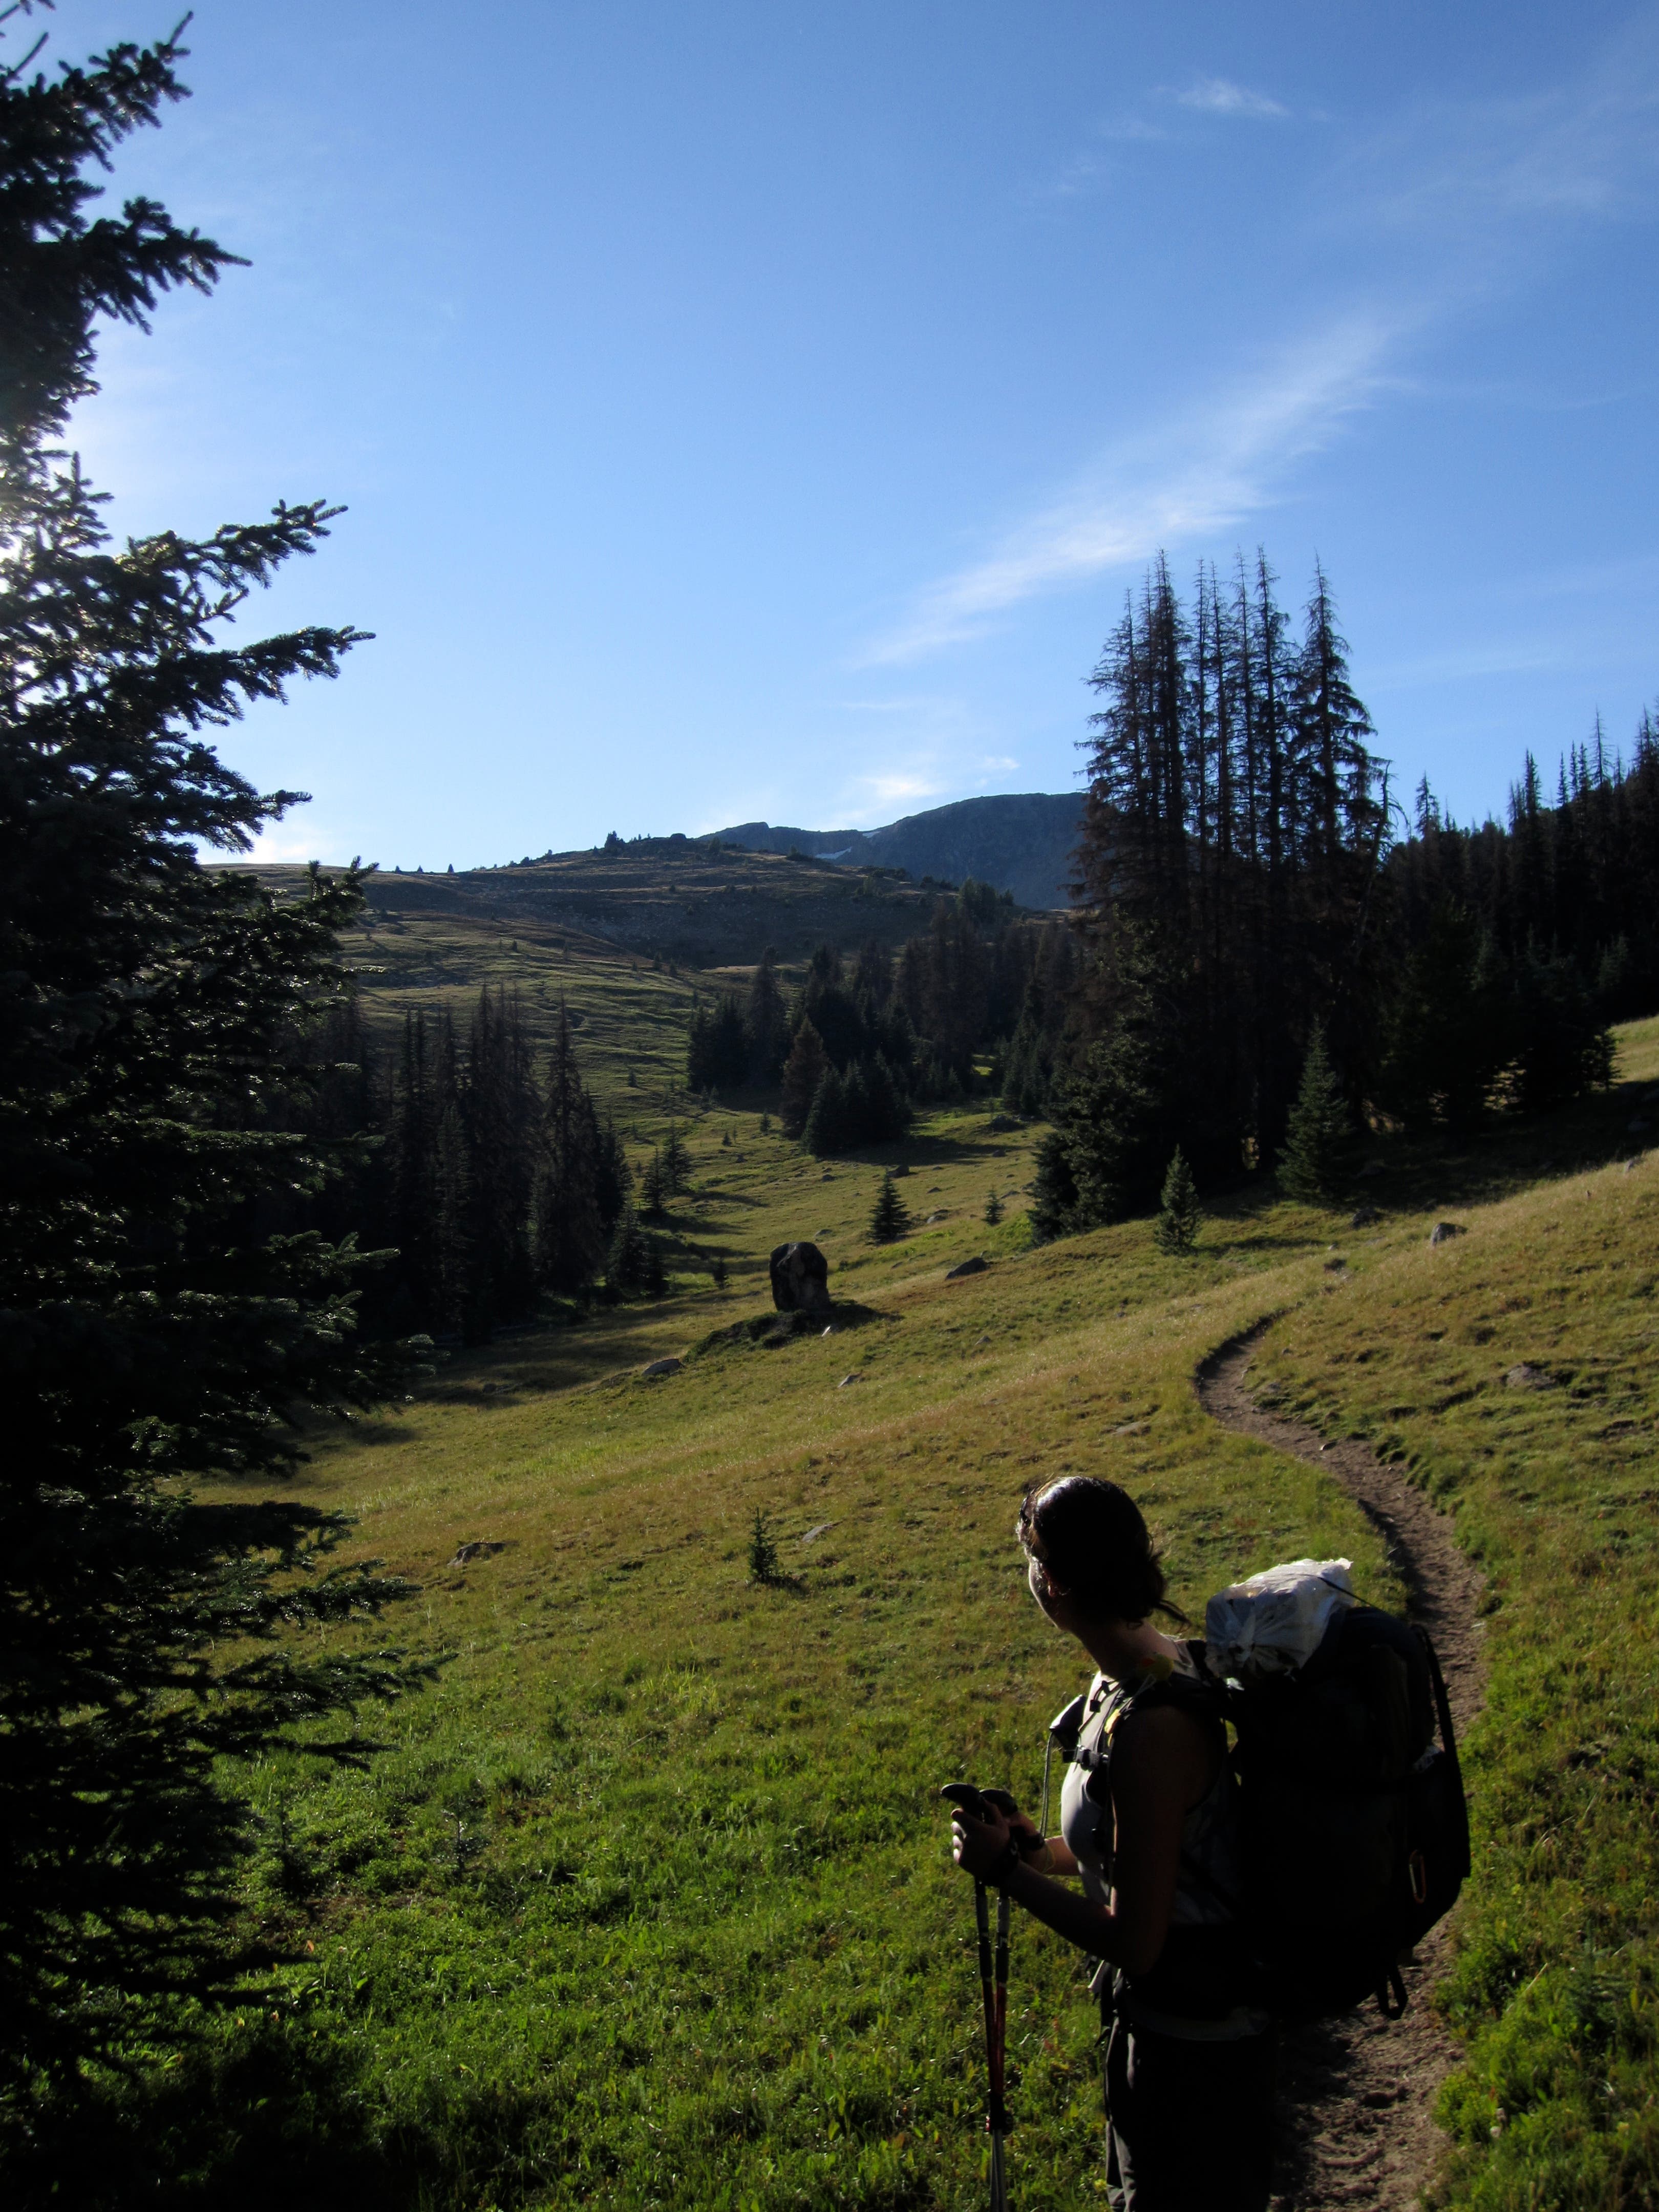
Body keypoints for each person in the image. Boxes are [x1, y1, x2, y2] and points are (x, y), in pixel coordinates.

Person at [947, 1475, 1274, 2212]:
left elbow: (1136, 1943)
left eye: (1031, 1562)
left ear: (1054, 1583)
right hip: (1172, 2032)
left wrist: (1004, 1872)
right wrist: (1040, 1855)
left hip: (1195, 2054)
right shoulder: (1143, 1667)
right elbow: (1150, 1849)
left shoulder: (1152, 1726)